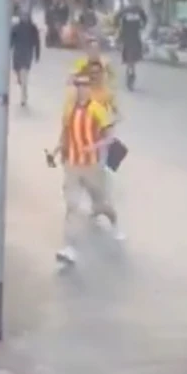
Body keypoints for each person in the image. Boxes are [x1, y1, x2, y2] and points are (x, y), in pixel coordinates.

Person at [52, 73, 122, 266]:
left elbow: (110, 137)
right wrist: (57, 150)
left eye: (84, 85)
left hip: (91, 165)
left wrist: (94, 147)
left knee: (100, 205)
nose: (81, 89)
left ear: (90, 88)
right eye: (78, 85)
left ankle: (114, 222)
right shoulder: (69, 109)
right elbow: (65, 133)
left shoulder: (97, 109)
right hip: (72, 164)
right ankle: (70, 248)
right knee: (72, 205)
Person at [10, 11, 42, 109]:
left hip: (27, 53)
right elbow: (11, 39)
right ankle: (22, 85)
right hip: (18, 53)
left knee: (24, 75)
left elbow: (37, 41)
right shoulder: (16, 27)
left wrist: (37, 54)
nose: (24, 18)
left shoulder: (33, 28)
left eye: (26, 16)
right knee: (17, 72)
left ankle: (23, 96)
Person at [117, 0, 148, 90]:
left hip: (127, 36)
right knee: (132, 56)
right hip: (134, 36)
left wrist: (120, 27)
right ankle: (131, 72)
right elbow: (145, 20)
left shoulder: (125, 10)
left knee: (129, 56)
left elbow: (116, 18)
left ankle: (130, 72)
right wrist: (141, 27)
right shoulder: (139, 10)